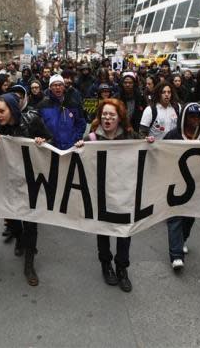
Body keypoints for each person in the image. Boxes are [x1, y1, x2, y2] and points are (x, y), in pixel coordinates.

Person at [74, 99, 141, 292]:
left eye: (111, 115)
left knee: (124, 232)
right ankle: (106, 265)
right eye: (104, 114)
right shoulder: (91, 139)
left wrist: (150, 144)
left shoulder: (130, 137)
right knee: (103, 231)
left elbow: (145, 152)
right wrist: (79, 148)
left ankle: (122, 268)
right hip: (100, 196)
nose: (107, 118)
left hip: (124, 195)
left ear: (119, 118)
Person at [0, 93, 52, 286]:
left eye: (2, 111)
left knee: (30, 222)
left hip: (31, 180)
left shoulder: (32, 120)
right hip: (10, 182)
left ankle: (29, 263)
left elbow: (51, 141)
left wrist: (44, 142)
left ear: (12, 108)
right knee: (14, 221)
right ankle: (20, 239)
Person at [163, 102, 200, 271]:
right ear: (184, 117)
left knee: (190, 217)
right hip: (174, 183)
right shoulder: (172, 135)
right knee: (175, 217)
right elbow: (161, 153)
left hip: (196, 184)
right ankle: (176, 255)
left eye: (198, 117)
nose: (195, 120)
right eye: (191, 116)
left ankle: (182, 239)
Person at [36, 75, 86, 150]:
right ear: (50, 87)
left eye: (60, 85)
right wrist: (42, 137)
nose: (58, 87)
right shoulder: (42, 105)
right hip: (50, 147)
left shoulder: (74, 104)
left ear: (64, 86)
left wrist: (76, 138)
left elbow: (81, 123)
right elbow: (38, 126)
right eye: (55, 85)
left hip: (71, 147)